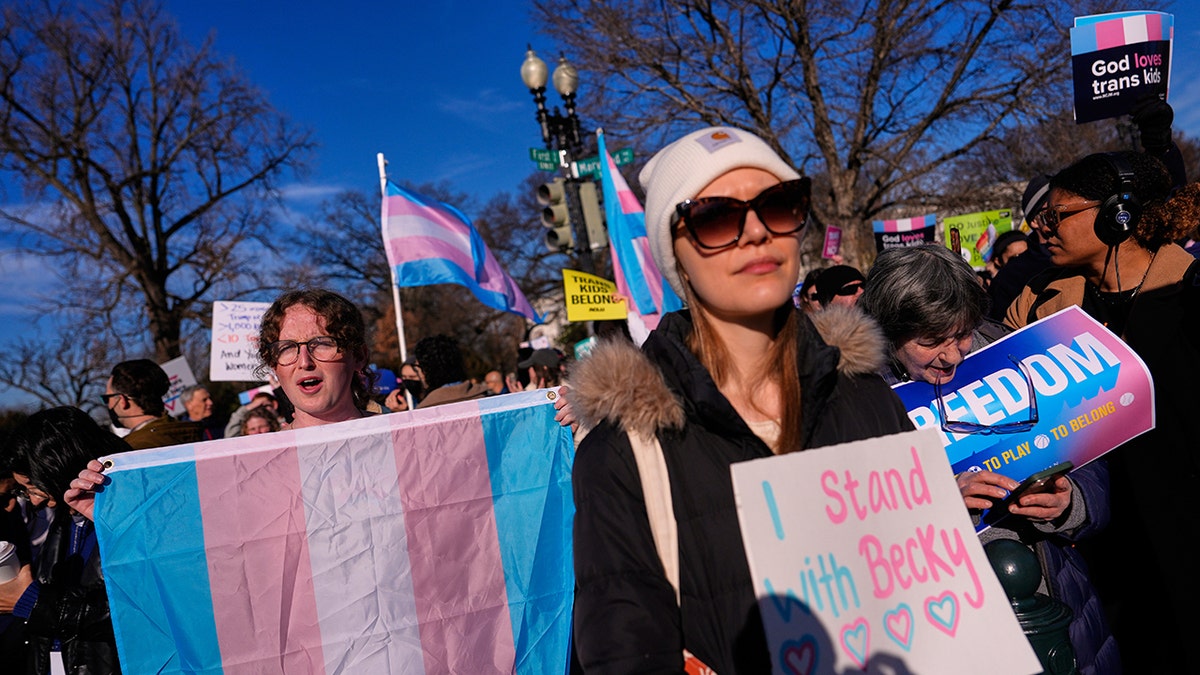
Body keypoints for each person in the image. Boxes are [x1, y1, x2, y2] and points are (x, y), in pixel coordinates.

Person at [567, 126, 913, 673]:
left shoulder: (867, 393)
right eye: (714, 217)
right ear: (675, 255)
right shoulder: (621, 455)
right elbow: (627, 652)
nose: (755, 231)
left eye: (777, 205)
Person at [860, 244, 1117, 674]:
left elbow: (1090, 461)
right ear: (890, 330)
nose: (953, 354)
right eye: (931, 341)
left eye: (961, 333)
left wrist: (1070, 501)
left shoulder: (1014, 352)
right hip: (944, 619)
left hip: (1057, 596)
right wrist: (936, 499)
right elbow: (850, 527)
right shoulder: (853, 396)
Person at [1004, 151, 1200, 673]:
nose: (1041, 227)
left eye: (1056, 214)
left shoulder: (1193, 296)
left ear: (1118, 212)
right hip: (1106, 548)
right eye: (1039, 218)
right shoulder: (1041, 306)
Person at [0, 407, 133, 674]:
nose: (34, 501)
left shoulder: (126, 513)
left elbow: (135, 611)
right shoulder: (64, 516)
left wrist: (31, 603)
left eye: (35, 488)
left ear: (61, 468)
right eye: (25, 491)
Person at [104, 359, 201, 450]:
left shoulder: (131, 450)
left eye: (106, 398)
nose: (107, 405)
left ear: (122, 401)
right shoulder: (191, 432)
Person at [413, 335, 490, 409]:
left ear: (426, 370)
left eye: (418, 368)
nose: (418, 374)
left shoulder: (424, 413)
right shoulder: (488, 399)